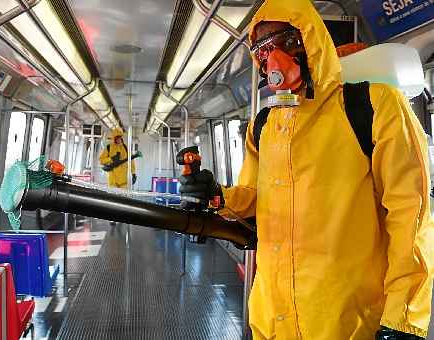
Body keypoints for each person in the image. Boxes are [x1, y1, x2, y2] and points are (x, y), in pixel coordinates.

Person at [178, 0, 434, 339]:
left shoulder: (372, 106)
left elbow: (410, 215)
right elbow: (255, 200)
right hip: (272, 317)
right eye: (263, 50)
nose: (275, 59)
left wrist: (404, 317)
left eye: (286, 42)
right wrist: (216, 196)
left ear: (311, 41)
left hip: (348, 321)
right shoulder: (264, 124)